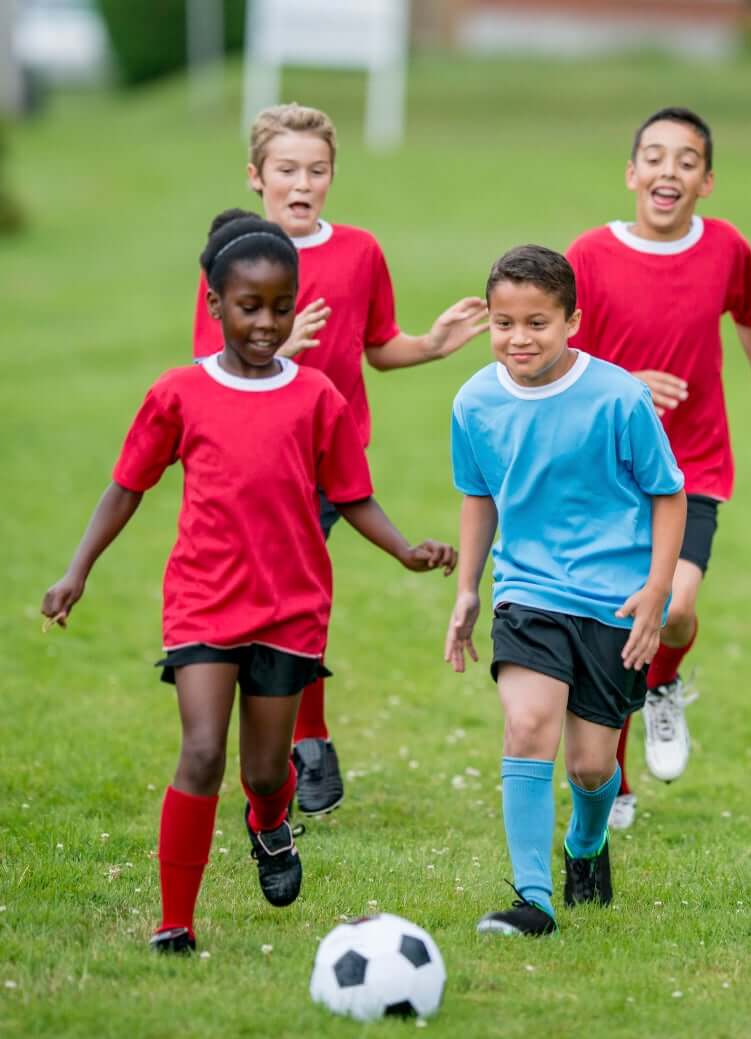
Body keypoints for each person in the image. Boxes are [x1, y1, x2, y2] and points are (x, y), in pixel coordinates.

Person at [44, 211, 454, 953]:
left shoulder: (317, 398)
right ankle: (176, 921)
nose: (266, 322)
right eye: (248, 306)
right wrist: (77, 570)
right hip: (203, 600)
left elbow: (352, 494)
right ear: (214, 305)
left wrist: (404, 550)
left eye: (280, 306)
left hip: (291, 605)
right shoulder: (178, 393)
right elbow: (126, 486)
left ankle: (269, 823)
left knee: (266, 771)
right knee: (202, 750)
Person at [194, 103, 488, 816]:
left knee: (303, 591)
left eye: (317, 171)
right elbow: (203, 369)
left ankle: (308, 738)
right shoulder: (235, 257)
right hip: (249, 462)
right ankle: (280, 736)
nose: (302, 184)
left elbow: (379, 345)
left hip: (329, 459)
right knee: (264, 602)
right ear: (255, 175)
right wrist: (273, 354)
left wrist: (433, 344)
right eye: (287, 170)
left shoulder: (359, 252)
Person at [565, 106, 751, 826]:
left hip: (692, 462)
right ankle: (614, 783)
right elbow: (554, 354)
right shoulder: (588, 254)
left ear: (707, 181)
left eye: (687, 160)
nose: (669, 171)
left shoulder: (726, 247)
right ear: (631, 172)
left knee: (671, 606)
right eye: (656, 157)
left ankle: (663, 690)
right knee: (609, 624)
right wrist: (627, 382)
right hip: (602, 466)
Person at [443, 245, 684, 936]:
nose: (519, 338)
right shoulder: (474, 401)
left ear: (573, 321)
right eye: (504, 322)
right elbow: (479, 495)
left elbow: (668, 495)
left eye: (537, 322)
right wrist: (467, 588)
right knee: (526, 724)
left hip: (615, 599)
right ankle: (534, 900)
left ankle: (586, 842)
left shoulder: (619, 396)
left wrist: (656, 590)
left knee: (588, 766)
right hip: (528, 591)